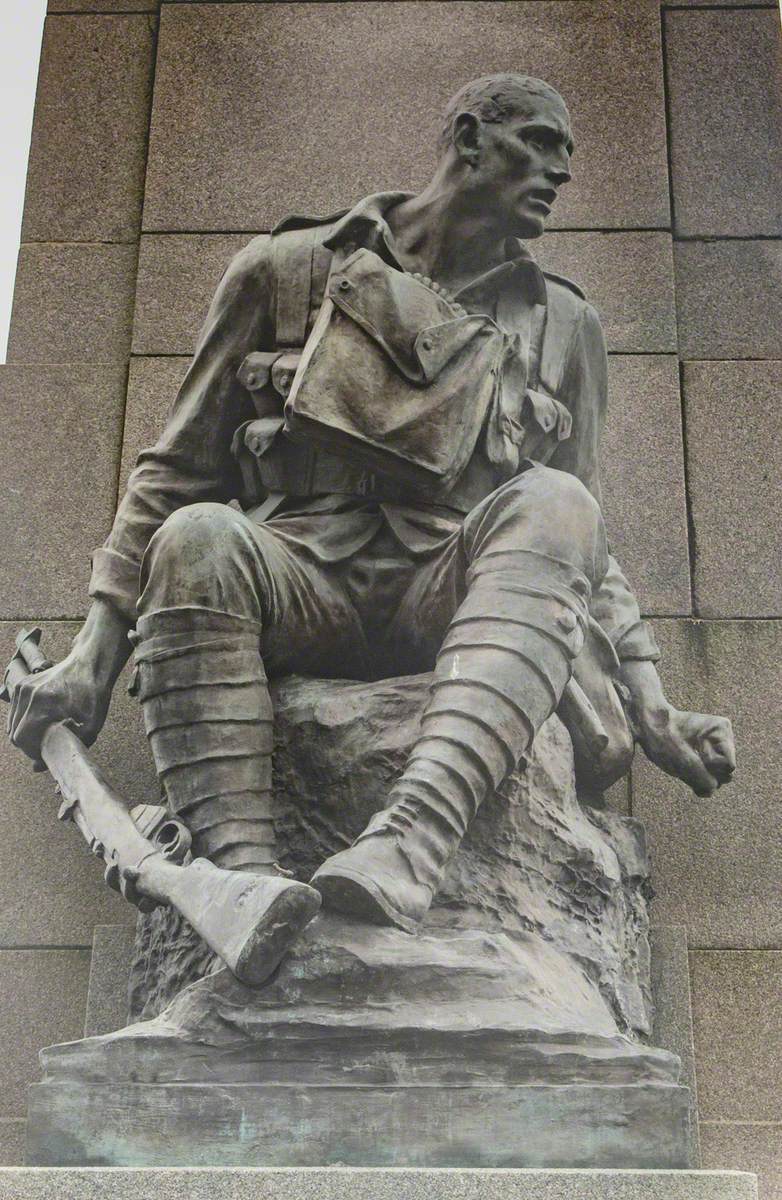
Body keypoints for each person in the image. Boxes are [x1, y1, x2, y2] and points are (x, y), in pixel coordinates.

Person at [8, 74, 735, 953]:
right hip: (298, 580)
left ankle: (412, 839)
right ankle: (241, 888)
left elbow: (585, 544)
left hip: (452, 595)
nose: (560, 172)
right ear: (470, 139)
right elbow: (174, 467)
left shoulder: (564, 325)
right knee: (195, 536)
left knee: (557, 500)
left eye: (567, 155)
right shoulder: (284, 273)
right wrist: (92, 654)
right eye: (538, 144)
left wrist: (651, 706)